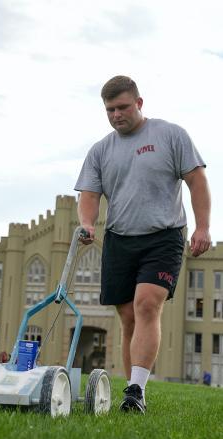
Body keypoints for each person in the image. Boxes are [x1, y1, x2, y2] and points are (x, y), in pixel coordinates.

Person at [74, 75, 211, 414]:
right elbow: (89, 195)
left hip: (164, 236)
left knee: (147, 304)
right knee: (128, 317)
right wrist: (88, 222)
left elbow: (196, 180)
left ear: (139, 103)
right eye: (109, 110)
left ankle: (135, 390)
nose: (116, 115)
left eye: (122, 107)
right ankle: (133, 392)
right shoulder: (100, 150)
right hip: (120, 239)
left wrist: (203, 227)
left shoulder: (170, 135)